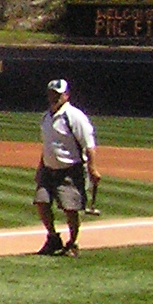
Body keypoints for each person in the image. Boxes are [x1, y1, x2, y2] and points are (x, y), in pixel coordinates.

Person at [34, 77, 97, 256]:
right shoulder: (46, 117)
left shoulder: (74, 116)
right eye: (52, 94)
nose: (54, 97)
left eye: (58, 94)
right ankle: (53, 238)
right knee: (41, 201)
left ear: (66, 95)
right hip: (48, 168)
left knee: (70, 208)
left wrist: (93, 168)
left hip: (70, 169)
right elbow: (48, 145)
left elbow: (89, 144)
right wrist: (41, 166)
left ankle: (72, 243)